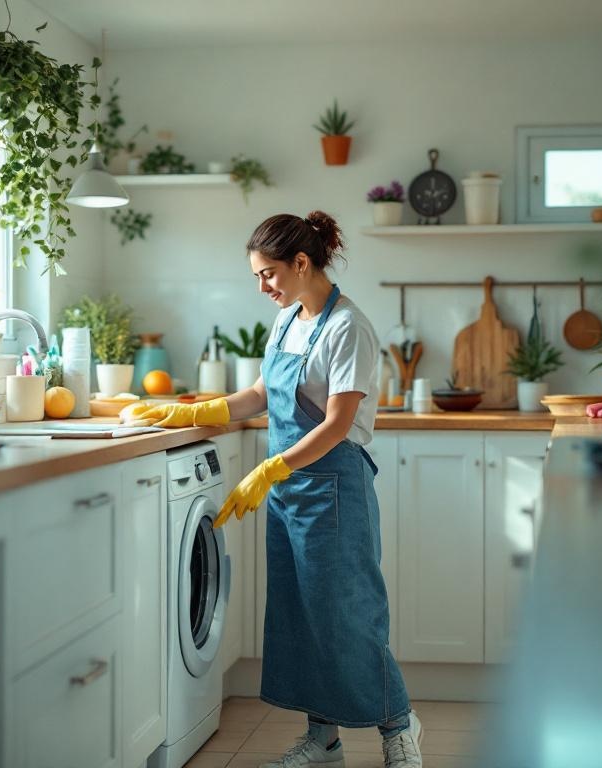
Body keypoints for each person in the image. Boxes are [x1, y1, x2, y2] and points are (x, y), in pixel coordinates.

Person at [127, 211, 422, 768]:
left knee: (348, 615)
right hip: (291, 491)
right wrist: (191, 410)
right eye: (258, 277)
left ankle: (398, 729)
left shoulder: (347, 327)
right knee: (300, 615)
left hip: (334, 488)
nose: (263, 287)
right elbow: (262, 392)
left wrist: (268, 470)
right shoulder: (288, 318)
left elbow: (336, 423)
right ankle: (324, 740)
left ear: (301, 263)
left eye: (268, 274)